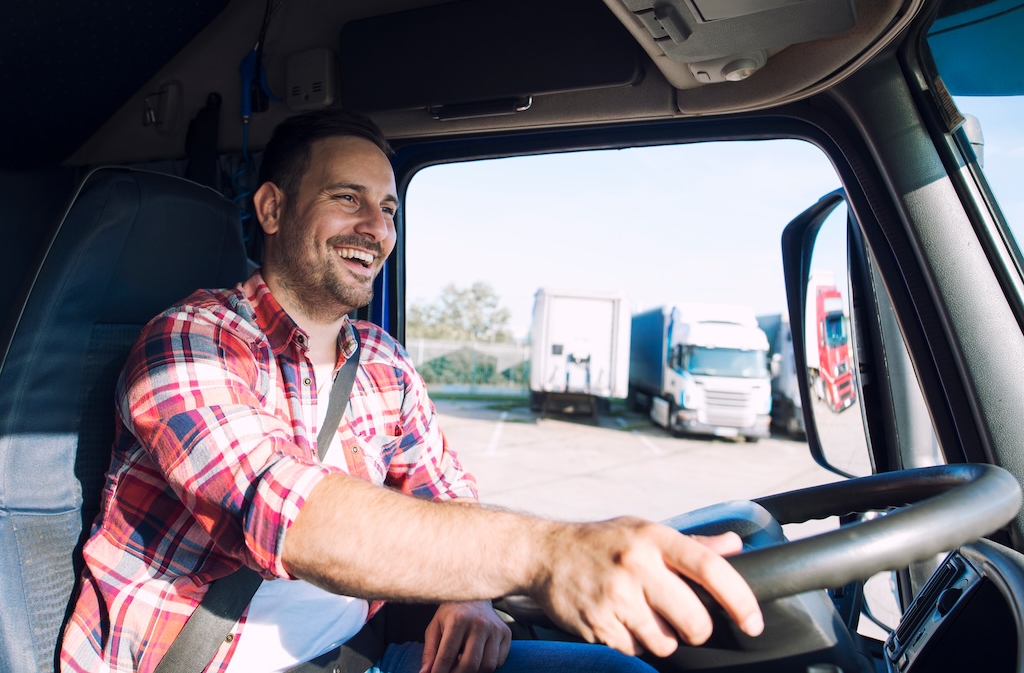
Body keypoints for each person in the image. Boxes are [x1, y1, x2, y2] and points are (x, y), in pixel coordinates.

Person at [60, 109, 763, 673]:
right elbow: (286, 512)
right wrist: (550, 553)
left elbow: (444, 490)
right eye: (348, 199)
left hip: (360, 658)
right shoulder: (190, 339)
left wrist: (473, 594)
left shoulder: (383, 364)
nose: (378, 228)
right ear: (273, 208)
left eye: (390, 209)